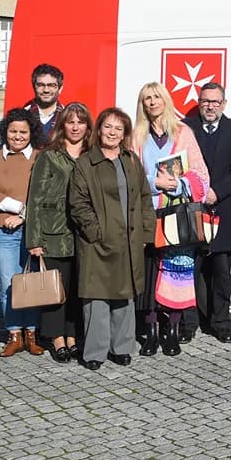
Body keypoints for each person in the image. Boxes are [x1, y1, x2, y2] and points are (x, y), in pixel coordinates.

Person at [68, 107, 156, 371]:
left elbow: (144, 198)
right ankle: (95, 351)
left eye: (118, 128)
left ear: (124, 133)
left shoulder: (130, 160)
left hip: (129, 240)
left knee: (124, 296)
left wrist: (145, 232)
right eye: (108, 126)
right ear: (99, 129)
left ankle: (122, 348)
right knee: (96, 298)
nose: (113, 132)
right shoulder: (86, 162)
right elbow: (78, 203)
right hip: (97, 242)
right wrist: (96, 232)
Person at [130, 81, 209, 357]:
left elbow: (202, 176)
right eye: (146, 98)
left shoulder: (183, 132)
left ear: (165, 100)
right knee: (150, 272)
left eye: (156, 97)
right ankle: (151, 330)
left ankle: (172, 330)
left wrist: (178, 185)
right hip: (148, 213)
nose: (152, 102)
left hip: (176, 214)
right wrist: (154, 182)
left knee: (176, 272)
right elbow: (131, 176)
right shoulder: (136, 136)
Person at [26, 102, 94, 362]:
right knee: (56, 289)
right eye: (70, 121)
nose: (75, 126)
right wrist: (33, 239)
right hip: (54, 232)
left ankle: (73, 336)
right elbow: (35, 198)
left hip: (84, 234)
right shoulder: (49, 155)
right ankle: (56, 338)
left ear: (88, 126)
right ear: (62, 125)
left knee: (79, 288)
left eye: (81, 121)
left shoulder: (92, 154)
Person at [182, 82, 231, 343]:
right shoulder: (186, 128)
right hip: (191, 210)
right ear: (199, 102)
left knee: (221, 273)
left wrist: (218, 191)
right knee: (189, 272)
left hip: (223, 209)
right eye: (205, 101)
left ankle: (221, 323)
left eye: (215, 102)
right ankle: (188, 323)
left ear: (224, 104)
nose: (210, 106)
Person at [0, 108, 44, 358]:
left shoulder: (41, 158)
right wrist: (15, 209)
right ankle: (14, 334)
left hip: (33, 231)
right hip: (4, 232)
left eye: (23, 131)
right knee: (8, 284)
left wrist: (23, 215)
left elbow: (44, 193)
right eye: (13, 131)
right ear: (4, 132)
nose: (18, 136)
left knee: (31, 284)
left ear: (31, 133)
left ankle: (32, 334)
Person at [23, 63, 65, 139]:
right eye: (41, 85)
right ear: (33, 87)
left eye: (51, 85)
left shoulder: (67, 116)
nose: (46, 90)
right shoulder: (22, 115)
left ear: (60, 88)